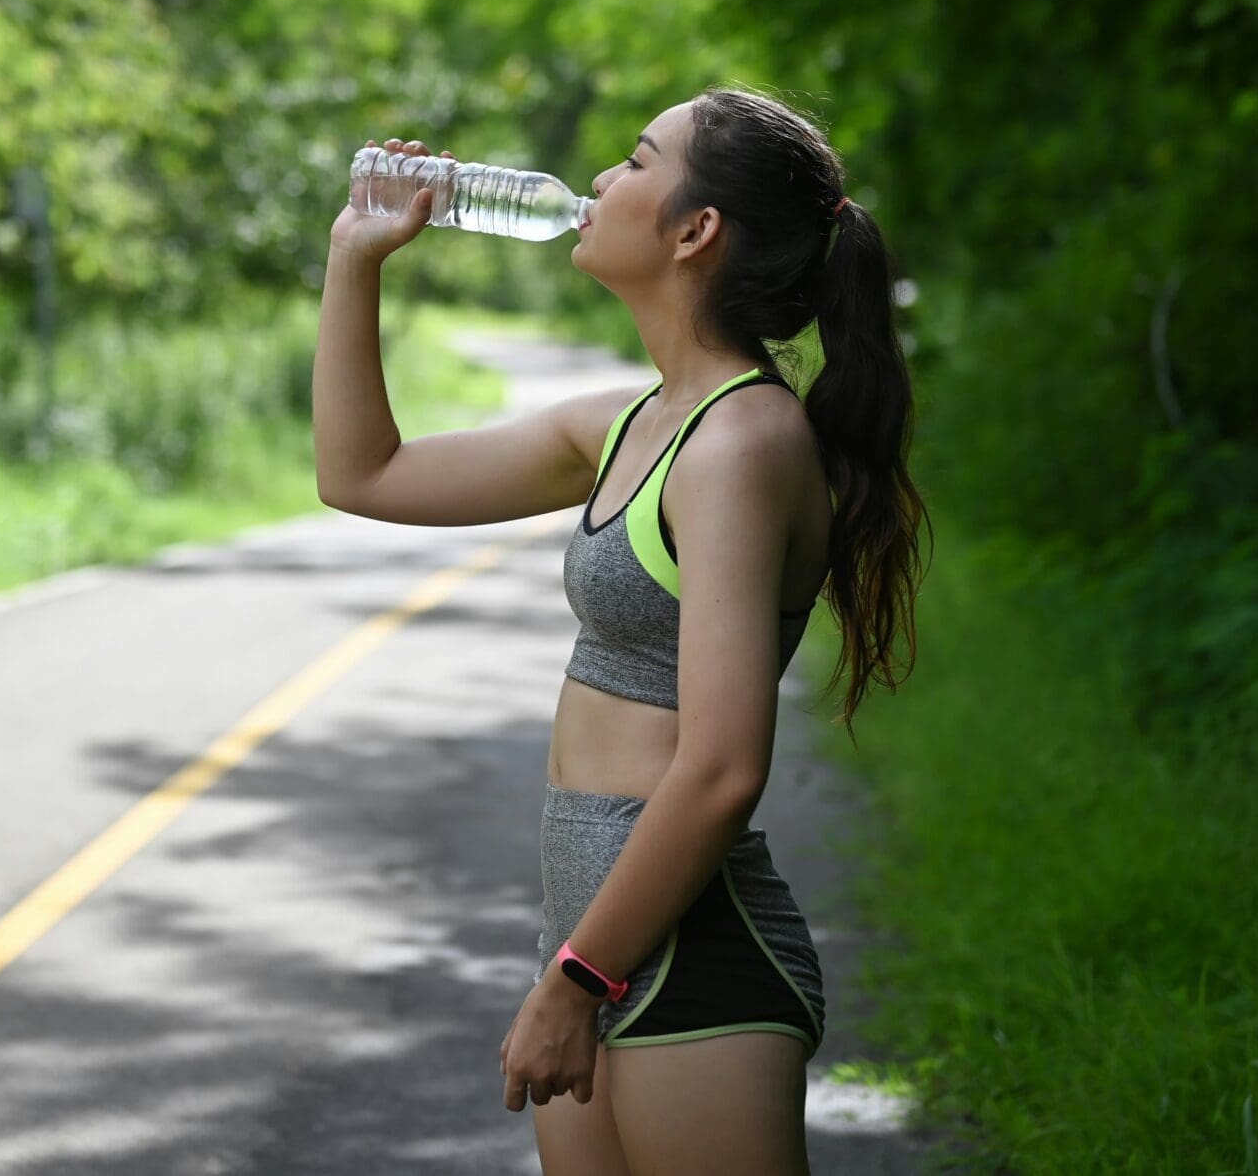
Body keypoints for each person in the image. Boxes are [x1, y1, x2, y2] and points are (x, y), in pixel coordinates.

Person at [313, 87, 927, 1175]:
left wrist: (576, 978)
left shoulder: (741, 443)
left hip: (684, 954)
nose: (599, 180)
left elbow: (725, 763)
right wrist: (355, 261)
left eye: (636, 161)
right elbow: (363, 474)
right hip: (598, 937)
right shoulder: (633, 422)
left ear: (696, 231)